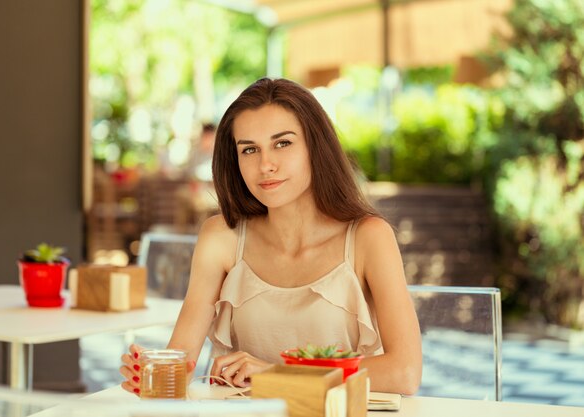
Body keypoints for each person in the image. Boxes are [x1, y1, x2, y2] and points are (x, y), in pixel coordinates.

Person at [120, 78, 422, 395]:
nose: (265, 165)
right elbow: (183, 360)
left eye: (282, 143)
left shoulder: (369, 237)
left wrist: (276, 374)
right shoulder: (221, 238)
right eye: (249, 149)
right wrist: (154, 374)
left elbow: (404, 372)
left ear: (315, 146)